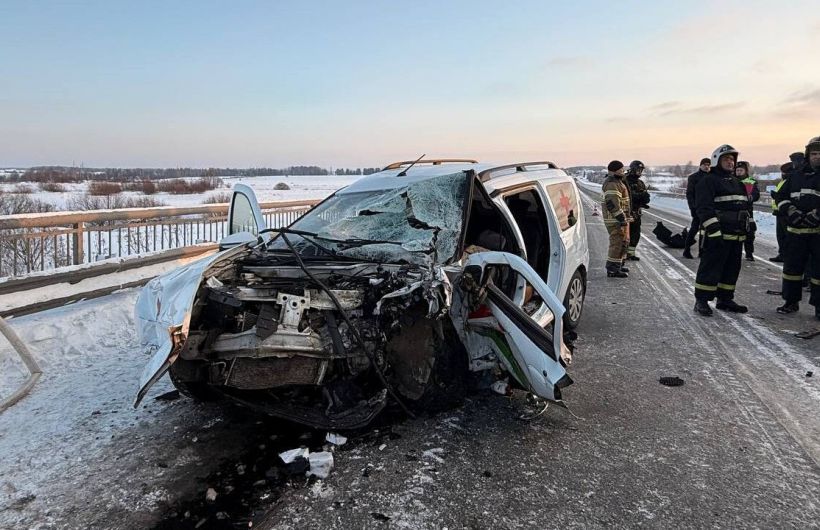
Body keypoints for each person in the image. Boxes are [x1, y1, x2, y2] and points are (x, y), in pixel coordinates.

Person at [693, 145, 750, 316]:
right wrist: (714, 230)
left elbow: (744, 206)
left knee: (731, 269)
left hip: (736, 235)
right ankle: (701, 301)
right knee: (710, 268)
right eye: (726, 159)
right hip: (718, 235)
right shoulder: (709, 181)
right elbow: (703, 208)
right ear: (717, 160)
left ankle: (725, 299)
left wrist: (749, 225)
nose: (730, 163)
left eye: (732, 160)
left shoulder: (737, 183)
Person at [775, 136, 820, 320]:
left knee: (818, 272)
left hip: (818, 234)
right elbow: (780, 196)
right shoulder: (795, 176)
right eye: (815, 153)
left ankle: (819, 307)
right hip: (795, 233)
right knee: (792, 270)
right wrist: (790, 210)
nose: (818, 157)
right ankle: (790, 301)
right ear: (808, 155)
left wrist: (817, 214)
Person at [601, 160, 631, 278]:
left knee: (622, 242)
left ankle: (618, 265)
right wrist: (621, 217)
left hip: (620, 219)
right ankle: (612, 269)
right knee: (616, 243)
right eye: (621, 170)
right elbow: (612, 203)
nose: (623, 172)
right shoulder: (612, 183)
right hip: (615, 220)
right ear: (614, 171)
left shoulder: (618, 182)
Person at [683, 158, 711, 259]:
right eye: (704, 164)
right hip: (697, 208)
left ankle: (702, 251)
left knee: (705, 231)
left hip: (709, 208)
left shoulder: (712, 177)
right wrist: (692, 208)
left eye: (708, 164)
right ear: (700, 165)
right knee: (694, 229)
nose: (707, 166)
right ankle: (687, 250)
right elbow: (689, 194)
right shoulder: (694, 177)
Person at [625, 160, 651, 260]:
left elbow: (645, 200)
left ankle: (631, 253)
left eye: (641, 170)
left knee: (635, 234)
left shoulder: (640, 183)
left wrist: (645, 197)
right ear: (633, 169)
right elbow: (628, 196)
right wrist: (640, 195)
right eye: (638, 169)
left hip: (637, 213)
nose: (639, 172)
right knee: (625, 234)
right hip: (627, 213)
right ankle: (623, 254)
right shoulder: (625, 181)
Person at [736, 161, 759, 261]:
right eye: (737, 170)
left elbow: (756, 195)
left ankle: (749, 253)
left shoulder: (751, 181)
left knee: (750, 233)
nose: (739, 172)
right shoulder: (731, 180)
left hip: (748, 211)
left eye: (741, 170)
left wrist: (752, 197)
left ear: (745, 171)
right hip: (735, 212)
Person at [769, 162, 792, 262]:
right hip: (778, 212)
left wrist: (776, 196)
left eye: (784, 172)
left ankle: (787, 255)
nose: (782, 174)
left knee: (787, 236)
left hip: (786, 213)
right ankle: (782, 254)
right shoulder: (782, 182)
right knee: (780, 236)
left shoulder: (791, 182)